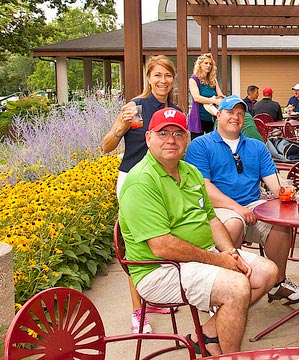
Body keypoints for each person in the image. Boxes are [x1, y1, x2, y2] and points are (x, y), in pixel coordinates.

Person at [119, 108, 278, 355]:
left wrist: (230, 252)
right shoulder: (142, 181)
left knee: (268, 272)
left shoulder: (190, 172)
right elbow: (161, 246)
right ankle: (229, 354)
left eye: (178, 133)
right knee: (237, 287)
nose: (171, 139)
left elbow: (212, 220)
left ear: (186, 139)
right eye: (163, 133)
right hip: (160, 269)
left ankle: (207, 334)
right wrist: (219, 261)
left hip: (202, 256)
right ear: (148, 137)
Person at [184, 95, 299, 303]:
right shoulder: (201, 145)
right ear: (218, 115)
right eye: (230, 112)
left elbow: (272, 179)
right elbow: (204, 188)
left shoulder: (256, 146)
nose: (235, 117)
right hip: (218, 207)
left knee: (279, 222)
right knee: (233, 224)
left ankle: (278, 283)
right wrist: (237, 209)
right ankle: (231, 287)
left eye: (240, 114)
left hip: (252, 204)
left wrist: (284, 189)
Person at [101, 54, 182, 334]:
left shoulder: (176, 110)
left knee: (166, 239)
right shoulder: (134, 108)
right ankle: (138, 312)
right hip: (134, 184)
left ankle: (154, 294)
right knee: (136, 248)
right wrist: (121, 126)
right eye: (157, 75)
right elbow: (106, 146)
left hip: (164, 182)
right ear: (149, 78)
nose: (163, 80)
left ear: (173, 79)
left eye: (168, 75)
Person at [188, 53, 225, 140]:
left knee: (214, 141)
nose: (208, 66)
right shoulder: (194, 79)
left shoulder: (213, 79)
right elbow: (196, 98)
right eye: (206, 63)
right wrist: (214, 101)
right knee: (198, 144)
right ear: (200, 64)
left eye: (210, 64)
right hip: (198, 118)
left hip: (212, 117)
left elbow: (220, 95)